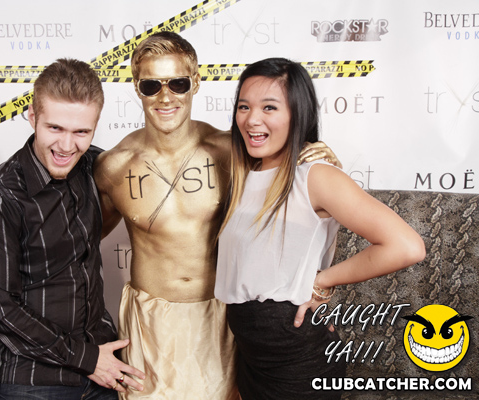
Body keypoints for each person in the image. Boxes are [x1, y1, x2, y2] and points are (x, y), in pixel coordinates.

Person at [94, 32, 340, 399]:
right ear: (136, 88)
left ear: (195, 82)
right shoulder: (113, 167)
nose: (165, 97)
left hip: (220, 318)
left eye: (177, 83)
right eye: (151, 85)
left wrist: (316, 155)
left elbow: (304, 201)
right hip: (148, 323)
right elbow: (79, 250)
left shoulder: (234, 152)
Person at [214, 57, 427, 400]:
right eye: (244, 106)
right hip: (251, 355)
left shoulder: (315, 175)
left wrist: (322, 281)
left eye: (269, 107)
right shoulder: (243, 175)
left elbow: (406, 246)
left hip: (296, 358)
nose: (252, 119)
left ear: (298, 113)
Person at [0, 58, 145, 400]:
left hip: (103, 367)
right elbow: (1, 311)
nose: (66, 146)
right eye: (55, 128)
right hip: (32, 379)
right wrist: (88, 359)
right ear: (32, 117)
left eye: (81, 132)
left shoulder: (96, 166)